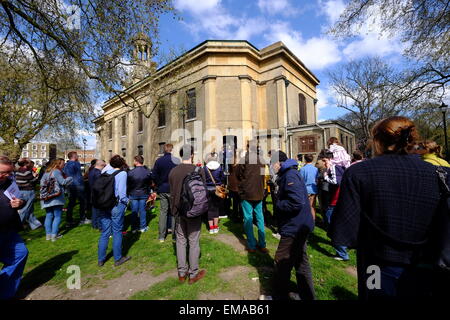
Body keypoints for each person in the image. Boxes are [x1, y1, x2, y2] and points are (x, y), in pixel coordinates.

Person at [330, 116, 445, 300]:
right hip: (425, 266)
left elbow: (344, 233)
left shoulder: (360, 172)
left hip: (375, 265)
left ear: (377, 141)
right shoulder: (439, 174)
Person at [270, 151, 315, 300]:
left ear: (279, 163)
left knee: (282, 261)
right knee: (301, 262)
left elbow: (296, 201)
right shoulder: (289, 173)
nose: (272, 167)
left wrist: (278, 204)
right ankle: (306, 295)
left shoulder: (290, 175)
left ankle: (279, 295)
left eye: (273, 163)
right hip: (299, 224)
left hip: (295, 226)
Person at [169, 144, 207, 284]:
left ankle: (181, 273)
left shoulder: (173, 171)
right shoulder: (198, 170)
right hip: (194, 211)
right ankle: (193, 274)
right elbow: (202, 193)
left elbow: (172, 193)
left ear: (181, 155)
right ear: (191, 154)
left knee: (180, 241)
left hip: (178, 211)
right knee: (193, 241)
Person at [0, 156, 28, 300]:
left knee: (20, 254)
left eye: (9, 172)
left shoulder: (9, 182)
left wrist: (20, 202)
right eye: (3, 172)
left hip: (10, 229)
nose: (6, 176)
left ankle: (5, 293)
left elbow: (19, 198)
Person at [98, 155, 131, 267]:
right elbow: (122, 192)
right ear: (122, 164)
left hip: (104, 204)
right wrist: (127, 201)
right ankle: (118, 258)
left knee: (105, 232)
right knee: (117, 231)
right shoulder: (122, 174)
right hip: (116, 205)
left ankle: (101, 259)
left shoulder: (104, 173)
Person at [236, 144, 268, 253]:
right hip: (258, 192)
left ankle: (252, 245)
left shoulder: (244, 159)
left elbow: (238, 174)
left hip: (247, 193)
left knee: (248, 218)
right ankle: (262, 244)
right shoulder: (262, 160)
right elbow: (263, 176)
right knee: (259, 217)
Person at [40, 159, 73, 241]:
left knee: (49, 215)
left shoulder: (46, 172)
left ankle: (48, 235)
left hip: (47, 196)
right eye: (63, 164)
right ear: (58, 164)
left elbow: (42, 184)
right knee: (57, 216)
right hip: (56, 197)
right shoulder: (56, 172)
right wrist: (70, 178)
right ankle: (54, 235)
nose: (64, 165)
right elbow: (63, 182)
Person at [323, 156, 349, 261]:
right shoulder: (341, 168)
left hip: (335, 201)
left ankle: (342, 251)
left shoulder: (335, 168)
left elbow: (336, 182)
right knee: (336, 224)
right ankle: (343, 245)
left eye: (325, 161)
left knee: (332, 224)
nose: (324, 163)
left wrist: (325, 176)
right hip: (339, 200)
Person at [152, 144, 179, 242]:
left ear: (164, 150)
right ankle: (175, 235)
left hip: (163, 188)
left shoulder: (159, 161)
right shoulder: (176, 161)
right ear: (172, 150)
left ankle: (161, 236)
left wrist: (159, 184)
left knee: (163, 212)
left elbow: (154, 175)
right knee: (173, 212)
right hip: (173, 189)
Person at [128, 155, 153, 233]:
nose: (133, 162)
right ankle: (142, 227)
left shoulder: (130, 172)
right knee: (142, 210)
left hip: (134, 193)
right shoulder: (148, 172)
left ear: (136, 161)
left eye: (134, 161)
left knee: (134, 211)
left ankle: (134, 228)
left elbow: (128, 184)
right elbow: (150, 183)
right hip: (143, 193)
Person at [64, 151, 90, 226]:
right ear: (74, 156)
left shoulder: (66, 164)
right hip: (78, 185)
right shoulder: (76, 163)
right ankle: (82, 219)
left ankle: (69, 220)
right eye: (77, 155)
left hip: (70, 185)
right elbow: (78, 175)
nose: (78, 156)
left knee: (71, 203)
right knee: (82, 202)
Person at [15, 159, 42, 230]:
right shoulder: (27, 172)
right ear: (26, 164)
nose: (30, 164)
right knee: (25, 209)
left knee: (30, 209)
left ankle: (35, 225)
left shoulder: (17, 171)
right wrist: (36, 176)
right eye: (29, 163)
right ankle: (17, 225)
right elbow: (33, 181)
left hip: (20, 191)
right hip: (28, 191)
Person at [204, 153, 226, 234]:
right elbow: (223, 177)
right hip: (217, 189)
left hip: (208, 189)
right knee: (216, 208)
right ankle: (216, 226)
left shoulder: (205, 167)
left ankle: (211, 227)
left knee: (209, 208)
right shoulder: (219, 167)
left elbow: (203, 177)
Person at [299, 154, 319, 220]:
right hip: (313, 188)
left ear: (305, 159)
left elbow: (301, 180)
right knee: (313, 206)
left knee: (305, 206)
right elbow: (317, 179)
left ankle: (307, 220)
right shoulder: (316, 169)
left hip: (306, 188)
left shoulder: (302, 169)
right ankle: (313, 220)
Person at [88, 159, 106, 230]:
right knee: (99, 211)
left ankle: (94, 224)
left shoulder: (91, 171)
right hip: (98, 194)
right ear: (101, 165)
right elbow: (100, 185)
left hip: (93, 193)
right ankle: (99, 226)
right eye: (104, 166)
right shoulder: (98, 173)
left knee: (95, 210)